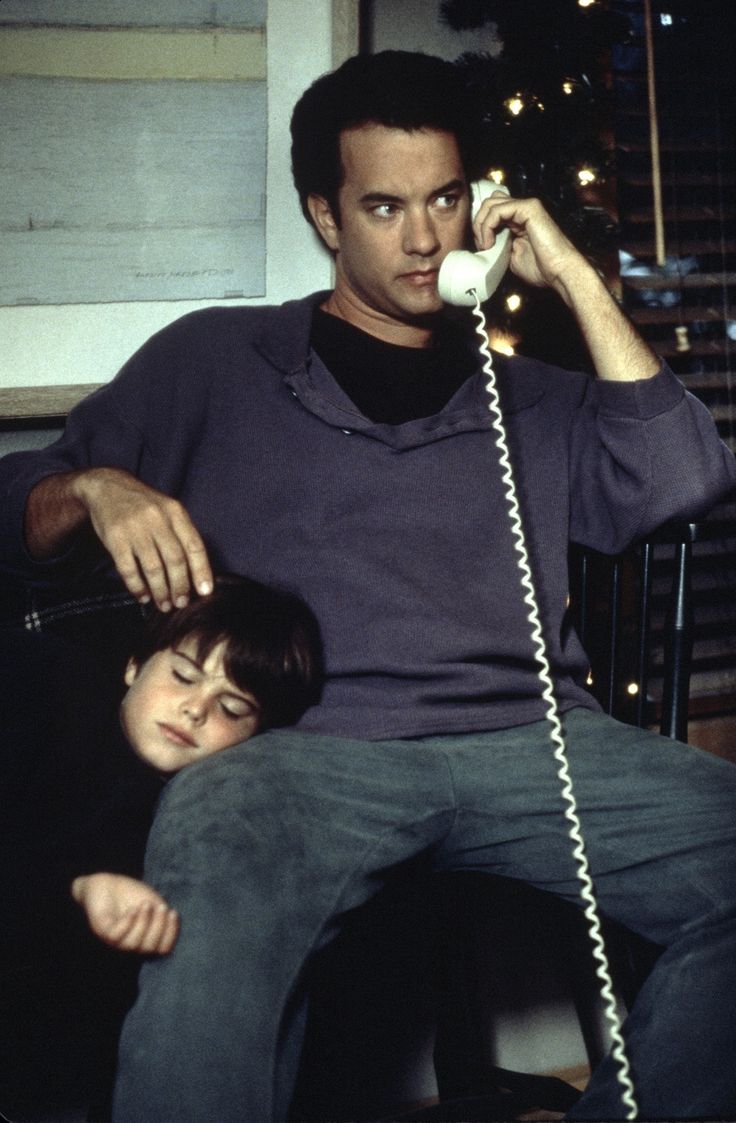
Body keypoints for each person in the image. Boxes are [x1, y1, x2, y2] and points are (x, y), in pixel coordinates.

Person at [0, 48, 735, 1122]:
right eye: (383, 206)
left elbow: (686, 480)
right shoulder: (215, 359)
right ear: (325, 216)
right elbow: (17, 507)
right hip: (302, 754)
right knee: (216, 907)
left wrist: (571, 279)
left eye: (445, 199)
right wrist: (96, 486)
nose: (425, 237)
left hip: (531, 744)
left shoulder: (532, 393)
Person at [70, 572, 324, 957]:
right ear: (134, 664)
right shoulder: (50, 688)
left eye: (231, 708)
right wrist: (77, 889)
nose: (195, 709)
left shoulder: (201, 821)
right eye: (182, 676)